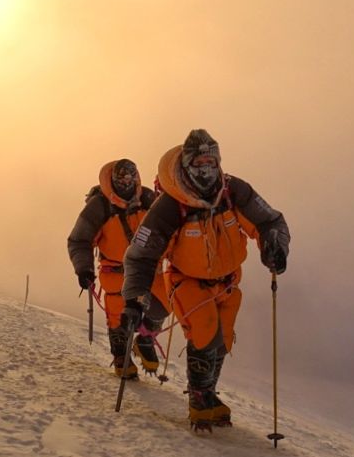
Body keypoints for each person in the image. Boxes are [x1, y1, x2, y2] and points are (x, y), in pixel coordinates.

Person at [121, 130, 289, 429]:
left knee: (222, 341)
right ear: (186, 165)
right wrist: (135, 298)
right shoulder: (170, 206)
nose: (207, 171)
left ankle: (208, 393)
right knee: (205, 332)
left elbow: (269, 221)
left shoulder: (233, 190)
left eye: (212, 163)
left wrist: (274, 244)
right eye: (199, 164)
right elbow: (141, 255)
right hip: (187, 280)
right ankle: (199, 400)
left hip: (228, 281)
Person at [67, 158, 168, 378]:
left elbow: (170, 227)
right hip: (115, 271)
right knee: (118, 315)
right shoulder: (99, 206)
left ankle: (145, 338)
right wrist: (84, 269)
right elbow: (79, 240)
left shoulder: (149, 198)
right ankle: (122, 355)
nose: (127, 182)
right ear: (113, 179)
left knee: (164, 302)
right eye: (122, 178)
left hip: (149, 269)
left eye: (131, 177)